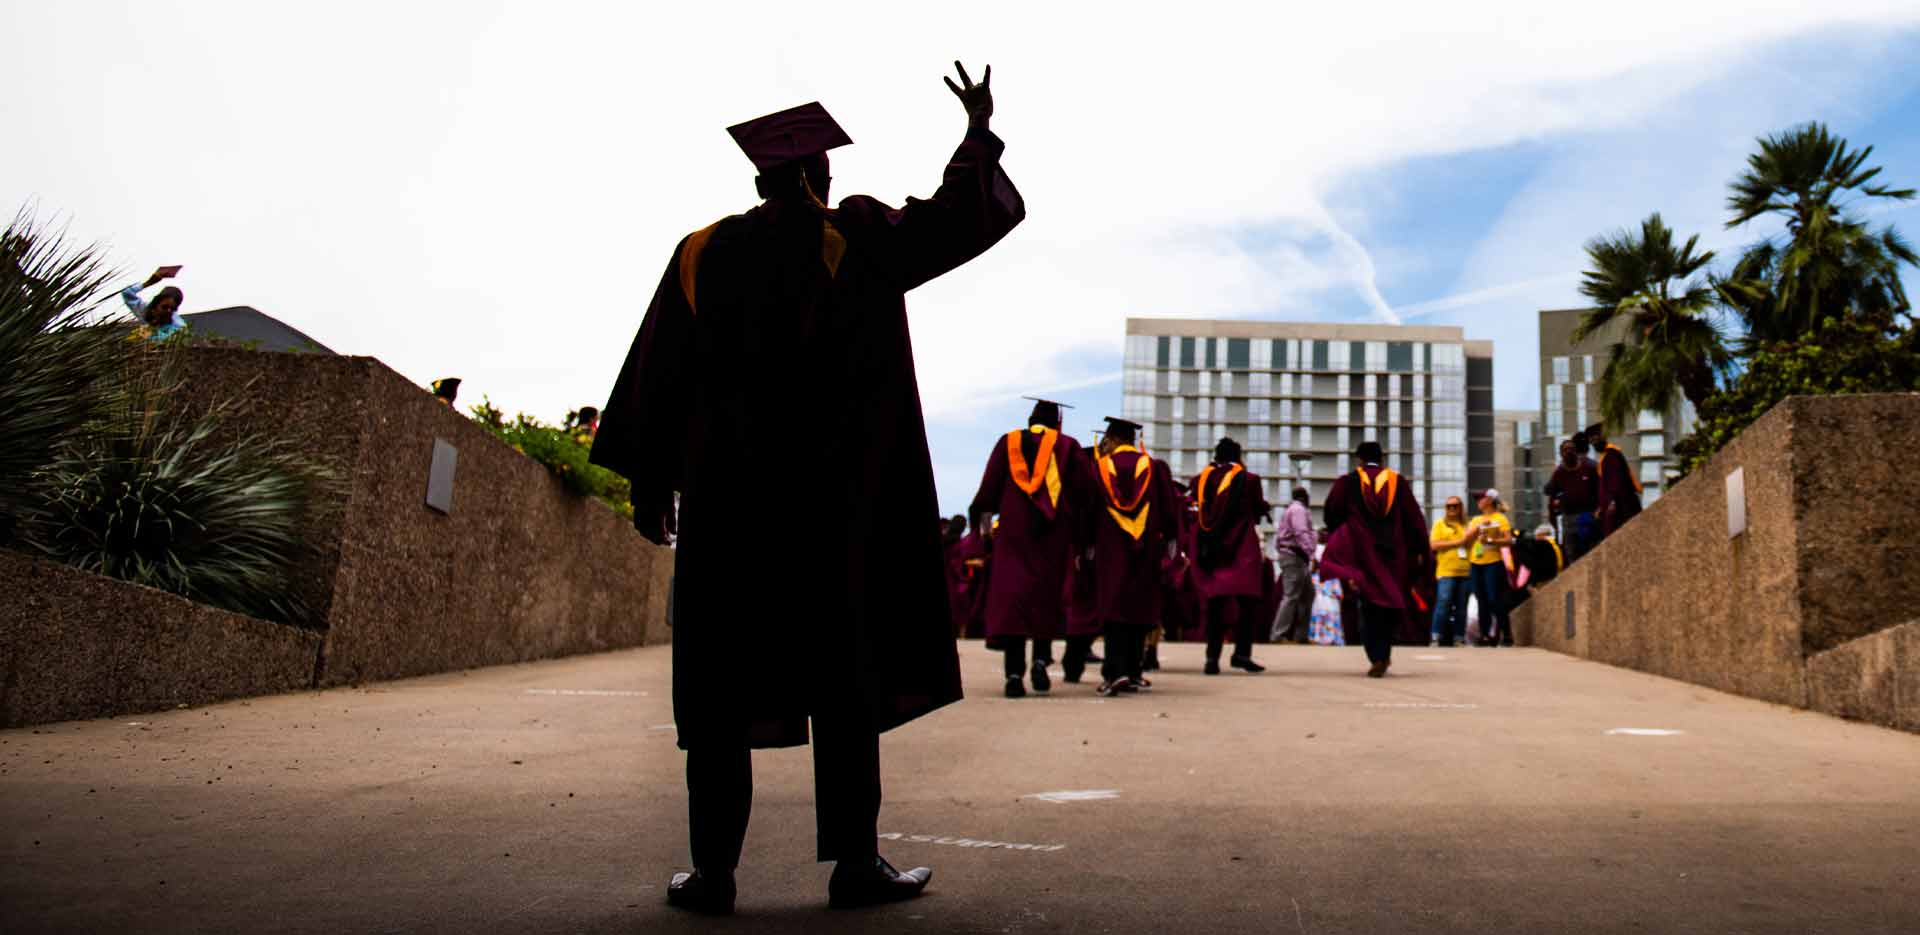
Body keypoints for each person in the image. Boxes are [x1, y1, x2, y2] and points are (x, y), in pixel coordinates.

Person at [588, 64, 1023, 914]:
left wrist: (653, 482)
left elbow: (657, 373)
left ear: (757, 178)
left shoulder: (701, 252)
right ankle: (855, 865)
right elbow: (952, 222)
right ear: (822, 175)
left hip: (731, 509)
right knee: (845, 679)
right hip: (836, 507)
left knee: (719, 687)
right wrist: (975, 135)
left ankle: (712, 873)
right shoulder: (854, 236)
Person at [969, 398, 1091, 698]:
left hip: (1013, 535)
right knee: (1045, 598)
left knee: (1014, 600)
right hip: (1053, 535)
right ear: (1057, 423)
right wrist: (1084, 539)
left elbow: (988, 492)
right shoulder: (1068, 447)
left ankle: (1013, 674)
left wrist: (984, 535)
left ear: (1030, 419)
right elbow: (1085, 495)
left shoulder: (1008, 442)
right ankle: (1039, 661)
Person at [1080, 417, 1179, 695]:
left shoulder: (1099, 468)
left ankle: (1114, 672)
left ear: (1111, 440)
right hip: (1145, 549)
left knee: (1113, 609)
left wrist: (1085, 544)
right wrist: (1171, 540)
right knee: (1138, 606)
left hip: (1110, 550)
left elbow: (1088, 509)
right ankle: (1134, 672)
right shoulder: (1154, 468)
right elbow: (1169, 510)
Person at [1319, 441, 1431, 677]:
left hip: (1362, 554)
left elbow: (1332, 512)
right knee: (1389, 603)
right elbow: (1414, 519)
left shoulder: (1347, 482)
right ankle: (1384, 652)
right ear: (1381, 460)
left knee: (1368, 604)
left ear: (1359, 459)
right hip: (1393, 555)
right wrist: (1421, 550)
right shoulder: (1397, 482)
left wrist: (1340, 536)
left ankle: (1376, 655)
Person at [1190, 437, 1271, 675]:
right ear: (1239, 457)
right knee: (1247, 603)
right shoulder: (1249, 479)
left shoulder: (1200, 480)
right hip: (1241, 546)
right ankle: (1241, 654)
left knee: (1216, 604)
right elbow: (1256, 510)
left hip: (1211, 546)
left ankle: (1211, 658)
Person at [1466, 489, 1515, 646]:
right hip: (1476, 563)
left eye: (1480, 498)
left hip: (1493, 563)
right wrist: (1478, 528)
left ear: (1489, 499)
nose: (1478, 502)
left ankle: (1506, 633)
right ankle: (1485, 635)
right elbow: (1466, 540)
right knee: (1482, 600)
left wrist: (1493, 542)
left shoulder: (1500, 518)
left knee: (1494, 599)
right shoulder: (1475, 520)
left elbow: (1508, 540)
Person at [1268, 487, 1316, 643]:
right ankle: (1277, 635)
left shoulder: (1293, 510)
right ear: (1303, 497)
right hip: (1294, 556)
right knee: (1291, 596)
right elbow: (1300, 532)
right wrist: (1310, 551)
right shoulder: (1298, 510)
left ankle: (1301, 636)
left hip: (1297, 557)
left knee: (1308, 595)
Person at [1427, 495, 1473, 647]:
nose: (1452, 509)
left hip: (1465, 571)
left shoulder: (1467, 525)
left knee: (1461, 607)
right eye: (1449, 506)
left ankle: (1459, 638)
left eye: (1455, 506)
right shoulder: (1439, 524)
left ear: (1461, 507)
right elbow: (1433, 545)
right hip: (1446, 571)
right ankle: (1436, 637)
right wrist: (1458, 542)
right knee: (1443, 604)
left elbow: (1472, 544)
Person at [1544, 437, 1599, 562]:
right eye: (1565, 450)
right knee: (1572, 555)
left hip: (1588, 516)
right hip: (1568, 518)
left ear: (1576, 451)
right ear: (1561, 454)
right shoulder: (1559, 472)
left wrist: (1598, 511)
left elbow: (1601, 489)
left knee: (1591, 553)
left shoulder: (1589, 467)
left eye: (1571, 449)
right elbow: (1549, 491)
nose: (1569, 451)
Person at [1588, 423, 1643, 539]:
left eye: (1596, 438)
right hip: (1613, 507)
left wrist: (1612, 501)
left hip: (1619, 508)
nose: (1594, 442)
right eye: (1591, 440)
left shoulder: (1612, 455)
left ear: (1603, 437)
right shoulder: (1605, 457)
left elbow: (1615, 482)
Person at [120, 266, 188, 341]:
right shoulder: (144, 309)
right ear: (155, 305)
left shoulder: (178, 325)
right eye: (164, 307)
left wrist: (148, 333)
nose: (168, 311)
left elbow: (166, 341)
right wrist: (148, 283)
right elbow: (127, 293)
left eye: (173, 309)